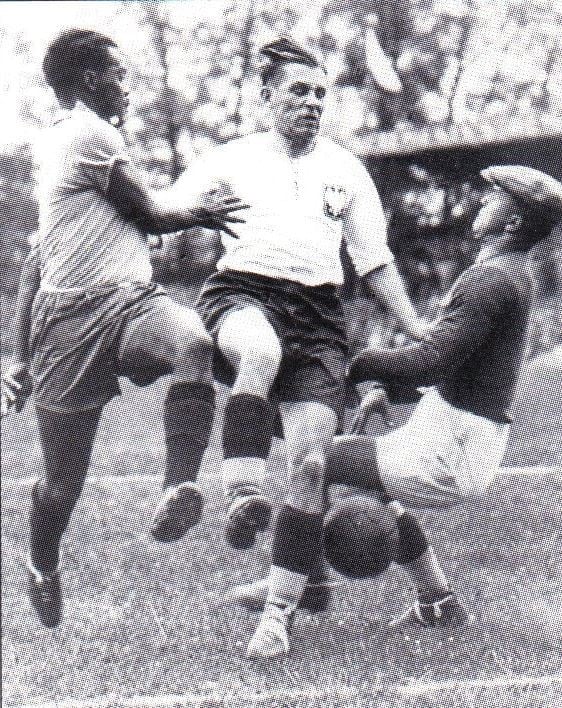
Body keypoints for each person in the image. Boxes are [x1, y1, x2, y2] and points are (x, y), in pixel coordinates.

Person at [169, 37, 424, 658]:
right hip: (242, 295)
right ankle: (243, 488)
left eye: (319, 93)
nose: (310, 102)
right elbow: (169, 209)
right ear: (268, 97)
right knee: (257, 353)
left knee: (312, 465)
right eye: (297, 90)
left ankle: (279, 610)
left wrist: (415, 326)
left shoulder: (347, 172)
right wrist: (189, 215)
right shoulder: (230, 157)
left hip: (317, 320)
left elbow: (375, 263)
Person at [3, 28, 247, 628]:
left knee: (193, 343)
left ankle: (178, 488)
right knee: (63, 483)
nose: (127, 84)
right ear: (86, 80)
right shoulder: (87, 133)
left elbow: (46, 250)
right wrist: (204, 212)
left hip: (130, 304)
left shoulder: (72, 141)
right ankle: (41, 562)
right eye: (117, 72)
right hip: (66, 325)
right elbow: (149, 214)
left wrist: (12, 354)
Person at [320, 164, 562, 631]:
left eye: (495, 199)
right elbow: (459, 367)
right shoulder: (512, 272)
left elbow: (431, 360)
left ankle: (296, 587)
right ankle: (438, 602)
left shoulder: (489, 279)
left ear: (511, 223)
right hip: (460, 437)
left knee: (314, 460)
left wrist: (360, 365)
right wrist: (386, 389)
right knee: (359, 479)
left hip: (450, 446)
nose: (483, 202)